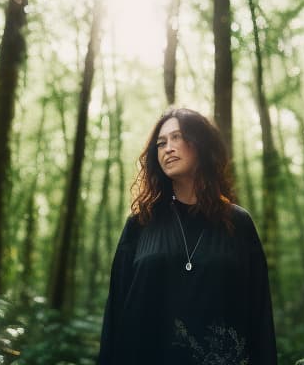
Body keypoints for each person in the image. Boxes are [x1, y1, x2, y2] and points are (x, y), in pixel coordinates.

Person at [97, 108, 277, 365]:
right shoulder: (140, 224)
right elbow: (115, 312)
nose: (167, 148)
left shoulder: (238, 223)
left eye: (177, 137)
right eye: (161, 143)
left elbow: (259, 313)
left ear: (201, 144)